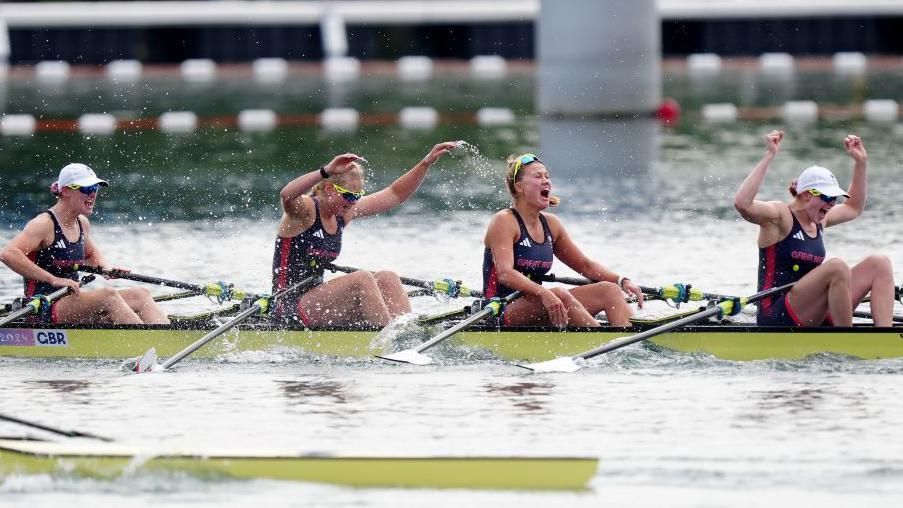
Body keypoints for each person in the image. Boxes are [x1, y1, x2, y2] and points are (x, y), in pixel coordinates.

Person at [272, 142, 459, 327]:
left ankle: (407, 335)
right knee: (362, 278)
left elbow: (395, 194)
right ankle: (389, 339)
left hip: (321, 302)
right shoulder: (305, 211)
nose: (354, 203)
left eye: (358, 196)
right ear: (329, 189)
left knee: (388, 277)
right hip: (288, 306)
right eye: (350, 196)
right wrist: (326, 170)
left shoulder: (344, 213)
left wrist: (426, 162)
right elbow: (286, 195)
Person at [733, 130, 894, 327]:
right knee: (837, 267)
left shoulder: (819, 220)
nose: (832, 204)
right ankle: (846, 340)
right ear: (808, 195)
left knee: (880, 263)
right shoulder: (780, 217)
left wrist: (861, 163)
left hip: (811, 311)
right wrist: (770, 155)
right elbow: (743, 204)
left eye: (834, 199)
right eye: (827, 198)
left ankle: (886, 335)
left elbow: (853, 207)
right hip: (776, 315)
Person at [482, 153, 644, 328]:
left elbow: (585, 265)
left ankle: (630, 343)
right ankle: (608, 346)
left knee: (609, 290)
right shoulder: (504, 221)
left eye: (547, 176)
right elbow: (505, 274)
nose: (546, 181)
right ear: (519, 187)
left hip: (541, 302)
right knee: (560, 294)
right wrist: (544, 293)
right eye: (538, 176)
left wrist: (622, 281)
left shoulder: (551, 224)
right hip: (501, 310)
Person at [0, 163, 170, 324]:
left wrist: (105, 267)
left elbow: (91, 254)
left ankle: (166, 342)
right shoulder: (44, 224)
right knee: (107, 296)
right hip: (43, 307)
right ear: (66, 191)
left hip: (73, 301)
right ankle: (145, 343)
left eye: (95, 188)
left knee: (141, 295)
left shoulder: (81, 223)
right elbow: (8, 254)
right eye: (87, 188)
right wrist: (53, 279)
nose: (93, 194)